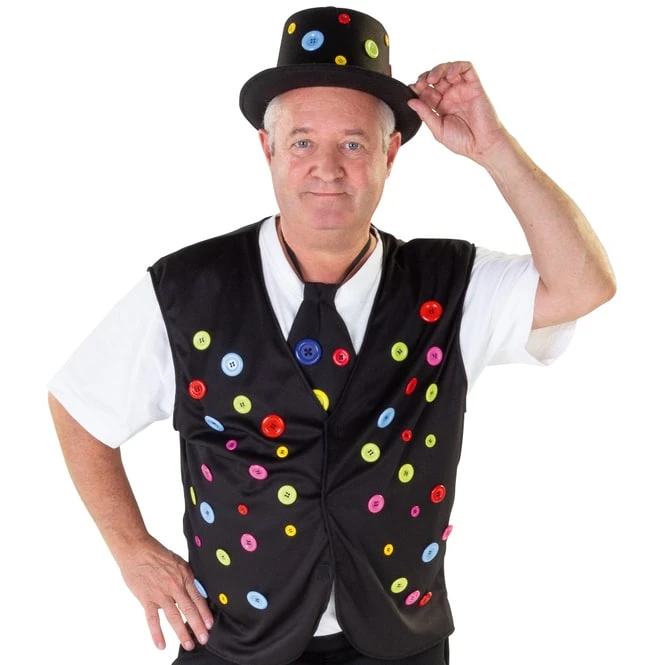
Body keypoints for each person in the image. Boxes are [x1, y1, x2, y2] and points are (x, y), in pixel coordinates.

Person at [47, 6, 616, 665]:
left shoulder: (451, 287)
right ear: (267, 150)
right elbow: (78, 406)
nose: (327, 167)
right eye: (301, 142)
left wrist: (494, 150)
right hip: (232, 643)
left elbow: (584, 285)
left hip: (398, 644)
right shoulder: (187, 288)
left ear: (389, 154)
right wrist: (132, 550)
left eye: (352, 143)